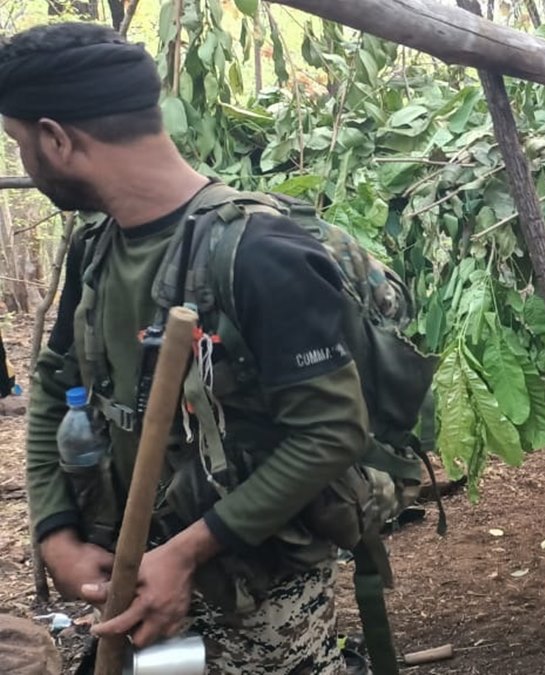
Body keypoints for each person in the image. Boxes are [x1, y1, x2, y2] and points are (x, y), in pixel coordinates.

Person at [3, 22, 371, 674]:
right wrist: (56, 532)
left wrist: (185, 553)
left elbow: (331, 432)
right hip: (131, 587)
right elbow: (57, 384)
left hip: (257, 603)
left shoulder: (263, 255)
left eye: (19, 143)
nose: (25, 163)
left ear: (57, 139)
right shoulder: (96, 247)